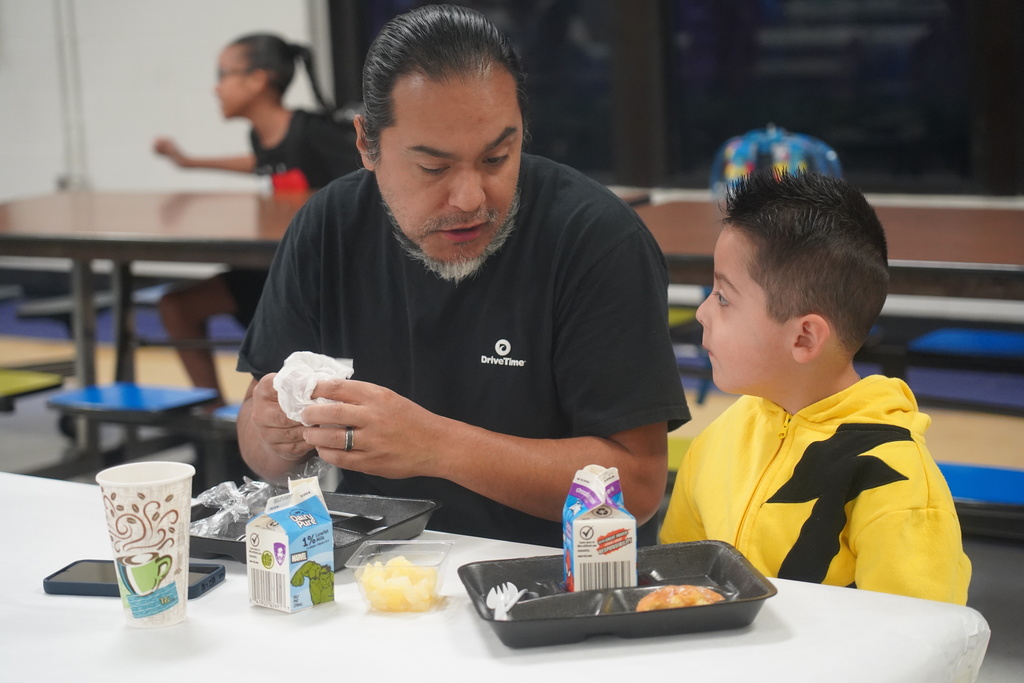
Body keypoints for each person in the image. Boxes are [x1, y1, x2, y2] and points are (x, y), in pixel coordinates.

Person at [235, 4, 690, 547]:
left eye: (498, 157)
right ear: (365, 144)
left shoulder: (595, 240)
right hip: (379, 568)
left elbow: (637, 489)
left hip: (551, 576)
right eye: (434, 168)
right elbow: (257, 449)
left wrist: (437, 446)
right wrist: (275, 436)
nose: (472, 198)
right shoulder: (328, 227)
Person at [660, 170, 971, 604]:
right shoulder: (718, 438)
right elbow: (678, 588)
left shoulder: (897, 484)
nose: (701, 313)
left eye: (724, 297)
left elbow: (923, 647)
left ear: (804, 337)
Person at [154, 33, 360, 408]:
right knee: (176, 306)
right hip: (270, 268)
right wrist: (189, 162)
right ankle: (215, 419)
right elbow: (261, 164)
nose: (216, 87)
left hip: (316, 280)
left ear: (257, 79)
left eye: (224, 74)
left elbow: (368, 177)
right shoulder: (262, 136)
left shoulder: (313, 133)